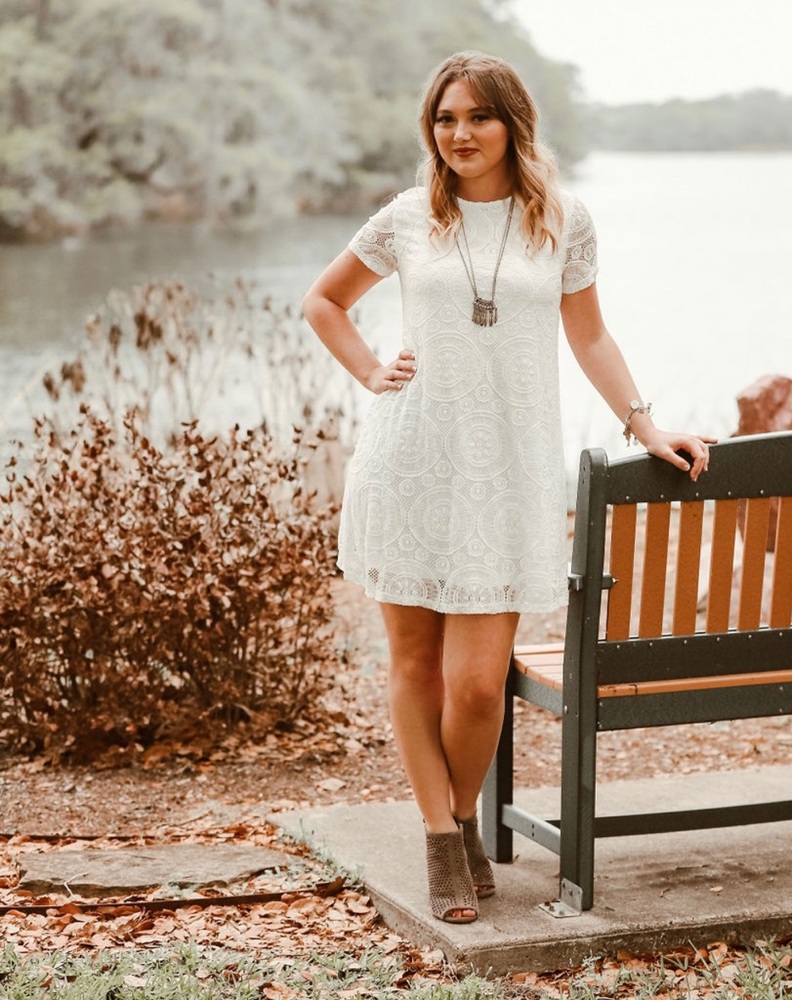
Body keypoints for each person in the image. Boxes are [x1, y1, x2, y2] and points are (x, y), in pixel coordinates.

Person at [302, 50, 714, 924]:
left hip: (509, 473)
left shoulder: (562, 222)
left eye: (477, 117)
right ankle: (442, 841)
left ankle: (455, 818)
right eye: (445, 118)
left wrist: (647, 426)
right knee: (415, 666)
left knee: (480, 686)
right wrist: (374, 371)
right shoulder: (409, 218)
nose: (459, 134)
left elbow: (591, 338)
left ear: (513, 124)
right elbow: (324, 303)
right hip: (411, 461)